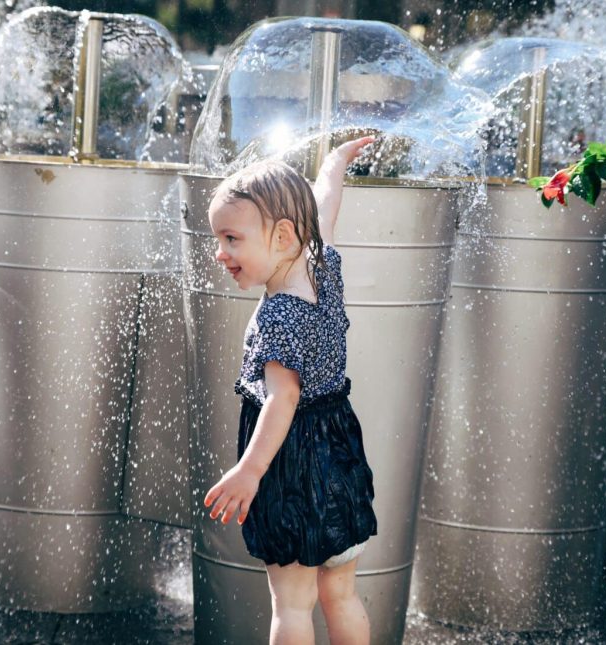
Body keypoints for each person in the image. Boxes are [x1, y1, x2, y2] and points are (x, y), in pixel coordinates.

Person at [203, 136, 379, 645]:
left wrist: (249, 471)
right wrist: (334, 167)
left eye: (232, 239)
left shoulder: (279, 315)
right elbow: (322, 207)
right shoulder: (321, 263)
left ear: (281, 236)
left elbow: (283, 399)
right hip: (340, 446)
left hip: (291, 461)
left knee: (292, 603)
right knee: (340, 592)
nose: (221, 253)